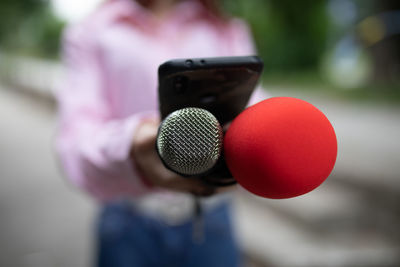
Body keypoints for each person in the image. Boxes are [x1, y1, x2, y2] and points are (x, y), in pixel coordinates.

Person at [55, 0, 266, 266]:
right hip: (128, 220)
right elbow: (75, 144)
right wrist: (132, 145)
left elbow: (255, 106)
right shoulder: (92, 31)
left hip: (211, 218)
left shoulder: (225, 28)